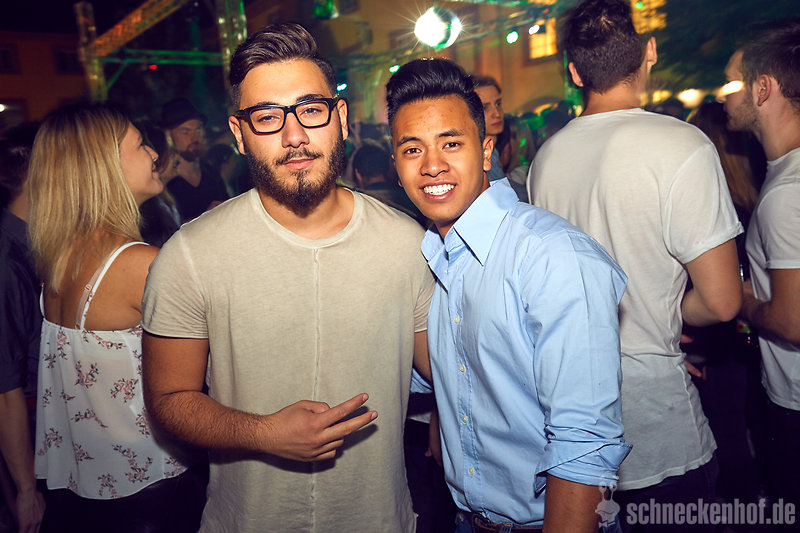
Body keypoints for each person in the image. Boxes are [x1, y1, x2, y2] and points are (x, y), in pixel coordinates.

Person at [140, 23, 434, 533]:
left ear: (341, 118)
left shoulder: (408, 244)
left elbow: (452, 378)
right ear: (239, 134)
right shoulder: (190, 253)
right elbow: (167, 402)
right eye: (267, 117)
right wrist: (263, 433)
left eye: (310, 110)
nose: (294, 136)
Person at [388, 57, 631, 532]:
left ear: (486, 151)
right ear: (397, 168)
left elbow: (584, 446)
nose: (433, 165)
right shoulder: (434, 258)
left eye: (451, 143)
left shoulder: (550, 254)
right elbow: (446, 379)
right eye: (412, 149)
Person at [527, 1, 742, 530]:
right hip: (659, 425)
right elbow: (722, 301)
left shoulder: (545, 160)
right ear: (650, 51)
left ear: (575, 73)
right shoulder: (682, 145)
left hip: (575, 430)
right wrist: (666, 316)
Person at [26, 103, 205, 533]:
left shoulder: (60, 258)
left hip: (89, 483)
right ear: (104, 168)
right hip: (153, 484)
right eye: (141, 145)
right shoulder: (138, 264)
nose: (155, 154)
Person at [720, 20, 800, 514]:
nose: (722, 95)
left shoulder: (787, 193)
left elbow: (792, 321)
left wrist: (743, 300)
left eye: (732, 83)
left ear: (763, 88)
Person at [0, 122, 45, 533]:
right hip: (25, 431)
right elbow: (5, 389)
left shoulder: (34, 240)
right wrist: (26, 488)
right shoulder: (6, 261)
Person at [159, 98, 229, 221]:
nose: (194, 138)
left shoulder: (211, 173)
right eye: (185, 132)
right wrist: (205, 217)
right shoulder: (165, 183)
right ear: (169, 136)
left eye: (198, 130)